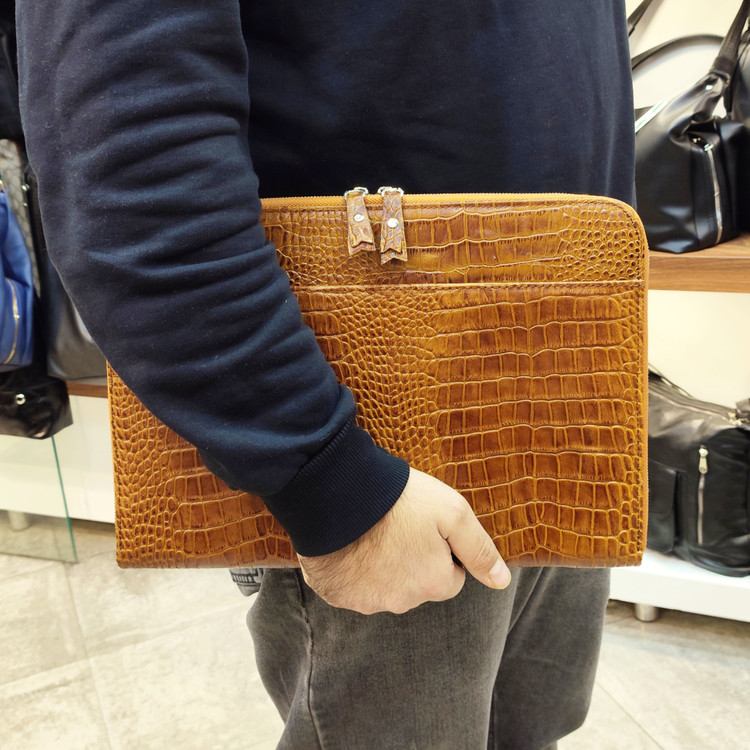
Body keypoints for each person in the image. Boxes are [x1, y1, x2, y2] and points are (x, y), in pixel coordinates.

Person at [16, 1, 635, 747]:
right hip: (388, 434)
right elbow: (125, 155)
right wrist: (329, 481)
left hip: (565, 389)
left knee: (531, 728)